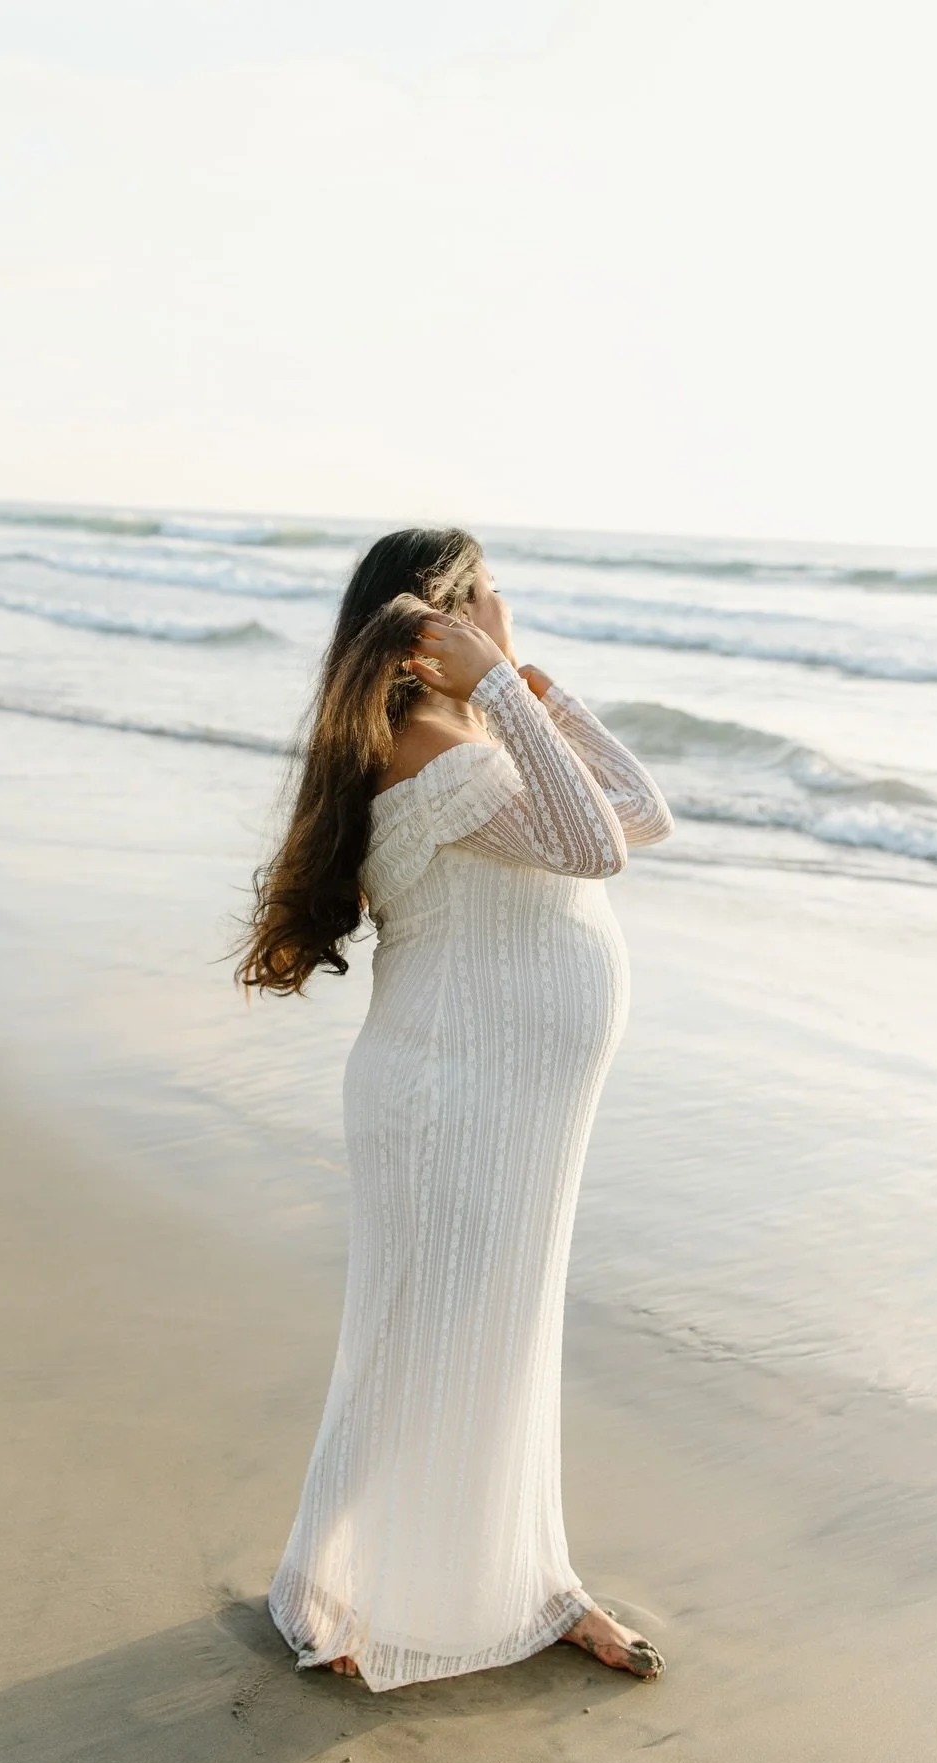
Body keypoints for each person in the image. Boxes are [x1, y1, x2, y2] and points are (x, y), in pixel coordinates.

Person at [237, 527, 674, 1691]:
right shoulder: (432, 748)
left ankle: (535, 1580)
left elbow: (640, 811)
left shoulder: (464, 737)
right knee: (425, 1336)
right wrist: (501, 692)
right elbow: (597, 848)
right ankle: (323, 1583)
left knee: (495, 1335)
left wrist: (526, 686)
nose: (504, 607)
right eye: (488, 598)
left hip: (499, 1092)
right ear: (441, 621)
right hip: (457, 1092)